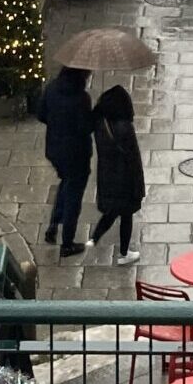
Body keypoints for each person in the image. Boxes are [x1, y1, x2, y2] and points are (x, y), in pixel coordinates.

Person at [37, 66, 94, 255]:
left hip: (55, 150)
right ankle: (67, 243)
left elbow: (41, 114)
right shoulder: (81, 98)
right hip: (77, 154)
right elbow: (85, 127)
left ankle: (53, 226)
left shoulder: (52, 88)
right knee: (74, 196)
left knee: (66, 182)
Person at [89, 84, 145, 264]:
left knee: (111, 212)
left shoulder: (100, 123)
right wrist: (139, 188)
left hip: (107, 177)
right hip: (125, 180)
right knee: (126, 216)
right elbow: (134, 160)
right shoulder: (125, 128)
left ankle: (93, 239)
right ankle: (124, 253)